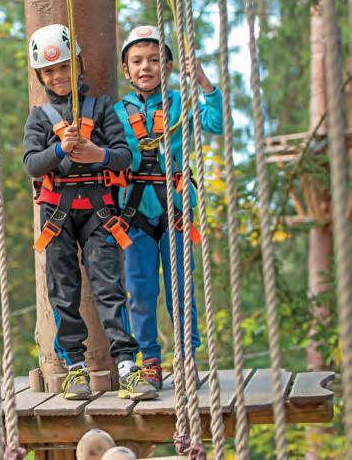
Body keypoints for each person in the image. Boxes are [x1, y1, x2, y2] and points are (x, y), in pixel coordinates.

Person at [22, 25, 156, 401]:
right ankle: (75, 368)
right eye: (49, 71)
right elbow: (32, 164)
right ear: (40, 76)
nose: (58, 77)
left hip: (99, 212)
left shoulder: (101, 109)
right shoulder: (39, 118)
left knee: (109, 288)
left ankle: (127, 366)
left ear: (78, 65)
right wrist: (60, 150)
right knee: (63, 292)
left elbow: (124, 156)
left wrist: (99, 154)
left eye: (64, 67)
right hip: (58, 215)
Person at [114, 25, 225, 389]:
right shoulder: (117, 113)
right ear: (126, 70)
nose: (145, 67)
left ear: (168, 67)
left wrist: (203, 82)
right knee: (140, 290)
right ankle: (149, 360)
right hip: (134, 215)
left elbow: (216, 123)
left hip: (174, 212)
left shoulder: (181, 105)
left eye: (154, 60)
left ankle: (186, 356)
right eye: (137, 61)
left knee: (181, 289)